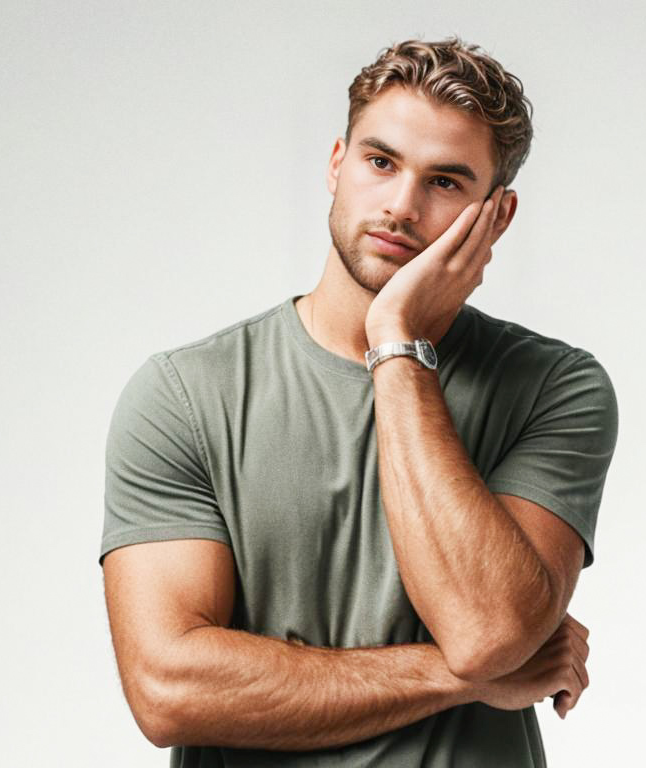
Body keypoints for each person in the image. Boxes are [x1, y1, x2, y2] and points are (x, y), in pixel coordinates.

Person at [99, 36, 619, 767]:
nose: (401, 206)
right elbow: (169, 690)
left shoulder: (554, 388)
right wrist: (461, 678)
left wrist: (397, 342)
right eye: (381, 163)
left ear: (495, 217)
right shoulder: (186, 395)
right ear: (337, 164)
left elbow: (486, 632)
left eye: (445, 183)